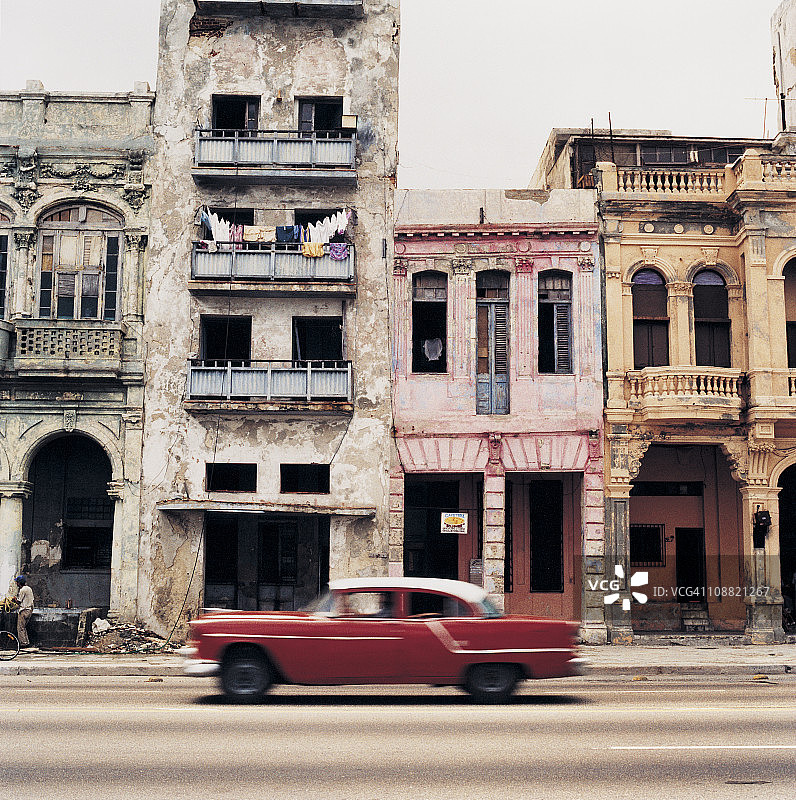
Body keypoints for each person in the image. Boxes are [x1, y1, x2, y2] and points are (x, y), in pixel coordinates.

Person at [14, 575, 34, 649]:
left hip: (24, 610)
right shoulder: (29, 588)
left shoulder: (22, 590)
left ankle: (23, 644)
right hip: (29, 610)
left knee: (20, 628)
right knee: (24, 627)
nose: (16, 584)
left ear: (19, 583)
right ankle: (26, 642)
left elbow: (19, 601)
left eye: (17, 582)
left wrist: (14, 599)